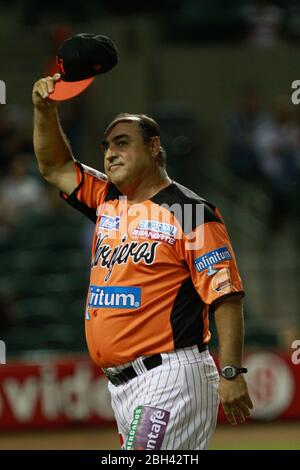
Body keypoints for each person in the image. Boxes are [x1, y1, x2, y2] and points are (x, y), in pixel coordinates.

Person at [32, 73, 253, 451]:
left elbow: (225, 296)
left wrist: (231, 371)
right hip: (123, 384)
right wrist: (44, 110)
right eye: (105, 146)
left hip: (170, 376)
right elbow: (54, 166)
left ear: (154, 148)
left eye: (122, 143)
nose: (109, 153)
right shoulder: (108, 200)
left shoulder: (190, 213)